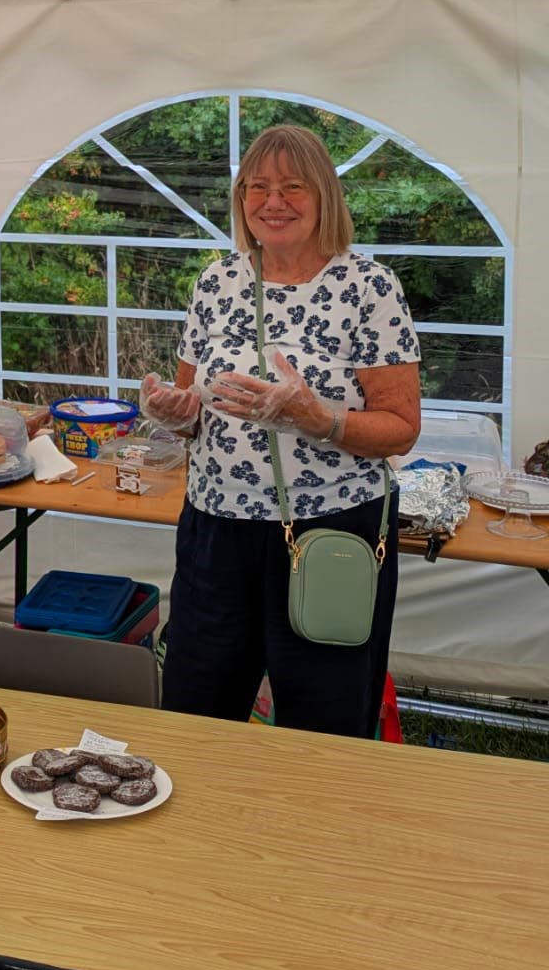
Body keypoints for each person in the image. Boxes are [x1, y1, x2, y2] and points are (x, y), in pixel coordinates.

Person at [140, 124, 421, 737]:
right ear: (241, 200)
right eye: (258, 187)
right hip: (216, 533)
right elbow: (194, 405)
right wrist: (174, 414)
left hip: (330, 534)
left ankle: (313, 832)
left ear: (324, 196)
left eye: (293, 186)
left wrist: (317, 419)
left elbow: (401, 429)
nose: (274, 201)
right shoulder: (217, 283)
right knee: (196, 712)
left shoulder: (369, 288)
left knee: (325, 723)